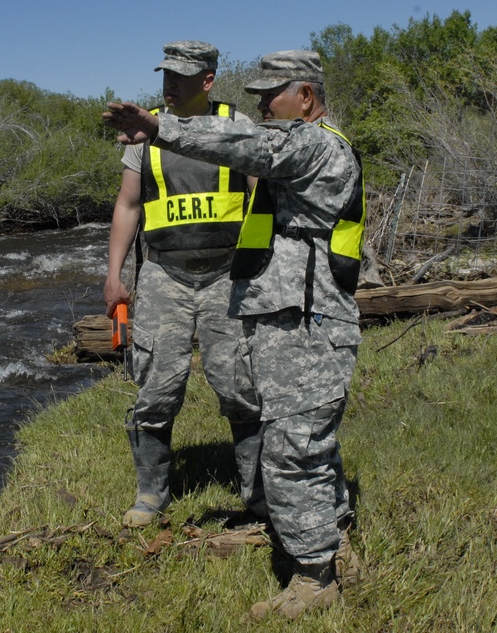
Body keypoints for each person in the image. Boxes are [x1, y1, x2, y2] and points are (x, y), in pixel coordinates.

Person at [103, 50, 365, 620]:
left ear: (307, 97)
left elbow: (244, 146)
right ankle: (326, 540)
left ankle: (316, 578)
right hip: (289, 320)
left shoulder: (314, 145)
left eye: (273, 93)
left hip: (310, 325)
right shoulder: (298, 142)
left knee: (295, 448)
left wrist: (157, 127)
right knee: (301, 444)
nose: (261, 104)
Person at [103, 40, 264, 529]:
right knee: (155, 386)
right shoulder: (143, 130)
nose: (169, 84)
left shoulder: (238, 128)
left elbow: (263, 201)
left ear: (208, 80)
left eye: (180, 76)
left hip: (227, 276)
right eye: (165, 74)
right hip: (163, 277)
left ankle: (256, 493)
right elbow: (128, 206)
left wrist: (261, 270)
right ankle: (151, 492)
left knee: (240, 386)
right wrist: (113, 277)